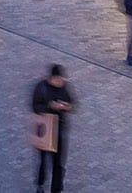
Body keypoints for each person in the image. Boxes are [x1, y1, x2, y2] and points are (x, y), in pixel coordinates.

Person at [32, 64, 75, 193]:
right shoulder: (41, 88)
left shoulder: (64, 87)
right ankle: (40, 184)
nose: (60, 82)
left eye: (61, 79)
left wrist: (66, 107)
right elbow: (35, 107)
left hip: (59, 130)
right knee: (43, 161)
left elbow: (73, 104)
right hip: (44, 129)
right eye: (58, 79)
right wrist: (50, 107)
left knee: (59, 163)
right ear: (51, 78)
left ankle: (56, 189)